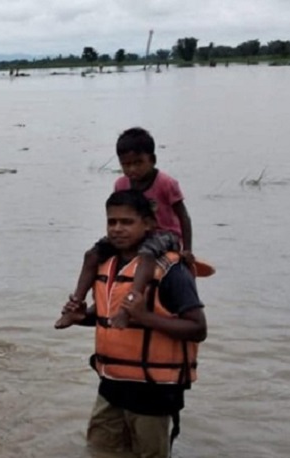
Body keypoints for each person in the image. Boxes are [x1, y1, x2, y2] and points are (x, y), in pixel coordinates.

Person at [60, 190, 206, 458]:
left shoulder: (171, 270)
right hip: (112, 385)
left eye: (127, 222)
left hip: (154, 391)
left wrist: (144, 317)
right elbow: (109, 315)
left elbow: (198, 328)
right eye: (112, 222)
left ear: (148, 224)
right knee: (100, 455)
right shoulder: (106, 262)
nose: (117, 229)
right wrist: (83, 316)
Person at [56, 127, 194, 329]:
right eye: (126, 165)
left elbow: (183, 216)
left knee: (147, 254)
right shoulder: (121, 184)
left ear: (152, 160)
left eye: (138, 163)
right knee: (92, 254)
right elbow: (118, 213)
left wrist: (187, 249)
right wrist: (116, 234)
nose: (132, 170)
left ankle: (128, 306)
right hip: (134, 234)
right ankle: (74, 305)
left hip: (164, 234)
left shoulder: (166, 183)